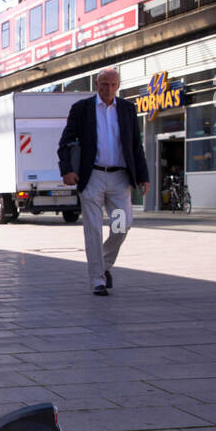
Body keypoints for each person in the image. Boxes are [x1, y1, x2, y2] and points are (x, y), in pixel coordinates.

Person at [57, 68, 149, 296]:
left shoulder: (128, 109)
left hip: (119, 179)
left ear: (118, 86)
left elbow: (136, 146)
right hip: (92, 177)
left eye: (112, 84)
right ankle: (97, 279)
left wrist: (144, 176)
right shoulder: (82, 109)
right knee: (93, 230)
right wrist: (67, 170)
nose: (108, 88)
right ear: (96, 84)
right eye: (104, 84)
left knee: (122, 226)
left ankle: (104, 265)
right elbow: (65, 143)